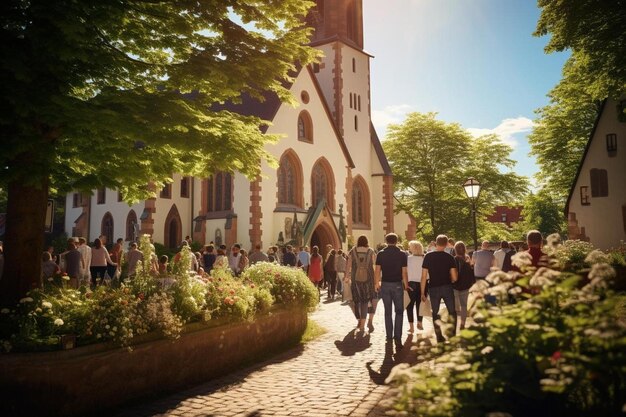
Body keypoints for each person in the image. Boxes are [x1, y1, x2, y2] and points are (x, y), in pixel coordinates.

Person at [421, 234, 458, 343]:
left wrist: (422, 292)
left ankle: (439, 336)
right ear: (446, 244)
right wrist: (451, 280)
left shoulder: (428, 256)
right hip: (447, 287)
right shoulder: (449, 257)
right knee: (452, 311)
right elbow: (455, 277)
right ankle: (452, 334)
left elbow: (423, 276)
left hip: (433, 287)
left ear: (436, 243)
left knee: (435, 312)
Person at [375, 233, 409, 346]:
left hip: (385, 284)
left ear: (386, 241)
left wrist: (376, 283)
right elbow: (404, 271)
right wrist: (406, 284)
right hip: (398, 285)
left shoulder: (381, 254)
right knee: (399, 311)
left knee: (387, 311)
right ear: (397, 241)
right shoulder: (402, 254)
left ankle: (389, 336)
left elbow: (377, 270)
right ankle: (397, 336)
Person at [346, 236, 376, 331]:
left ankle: (359, 319)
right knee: (365, 301)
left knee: (355, 301)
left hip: (355, 280)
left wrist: (347, 276)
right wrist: (376, 280)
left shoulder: (353, 251)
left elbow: (348, 265)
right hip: (369, 280)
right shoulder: (371, 251)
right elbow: (375, 266)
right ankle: (363, 324)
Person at [452, 241, 475, 330]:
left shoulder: (454, 259)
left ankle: (454, 324)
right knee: (464, 306)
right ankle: (462, 324)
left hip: (455, 285)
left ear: (455, 250)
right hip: (466, 286)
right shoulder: (468, 259)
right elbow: (472, 273)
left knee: (454, 307)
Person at [406, 240, 425, 333]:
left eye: (410, 247)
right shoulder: (424, 258)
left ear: (413, 248)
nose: (409, 248)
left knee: (409, 306)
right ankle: (420, 322)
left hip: (411, 284)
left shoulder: (408, 259)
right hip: (423, 284)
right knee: (420, 304)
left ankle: (411, 326)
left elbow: (405, 273)